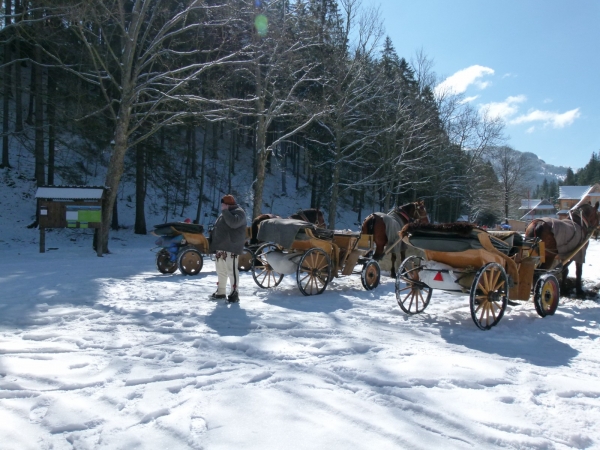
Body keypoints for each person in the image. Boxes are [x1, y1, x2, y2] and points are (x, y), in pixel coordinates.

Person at [209, 194, 247, 303]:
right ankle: (221, 292)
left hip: (231, 247)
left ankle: (234, 293)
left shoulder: (239, 212)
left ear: (226, 204)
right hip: (220, 247)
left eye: (223, 204)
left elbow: (233, 223)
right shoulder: (225, 213)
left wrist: (225, 211)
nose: (221, 206)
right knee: (220, 270)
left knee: (232, 271)